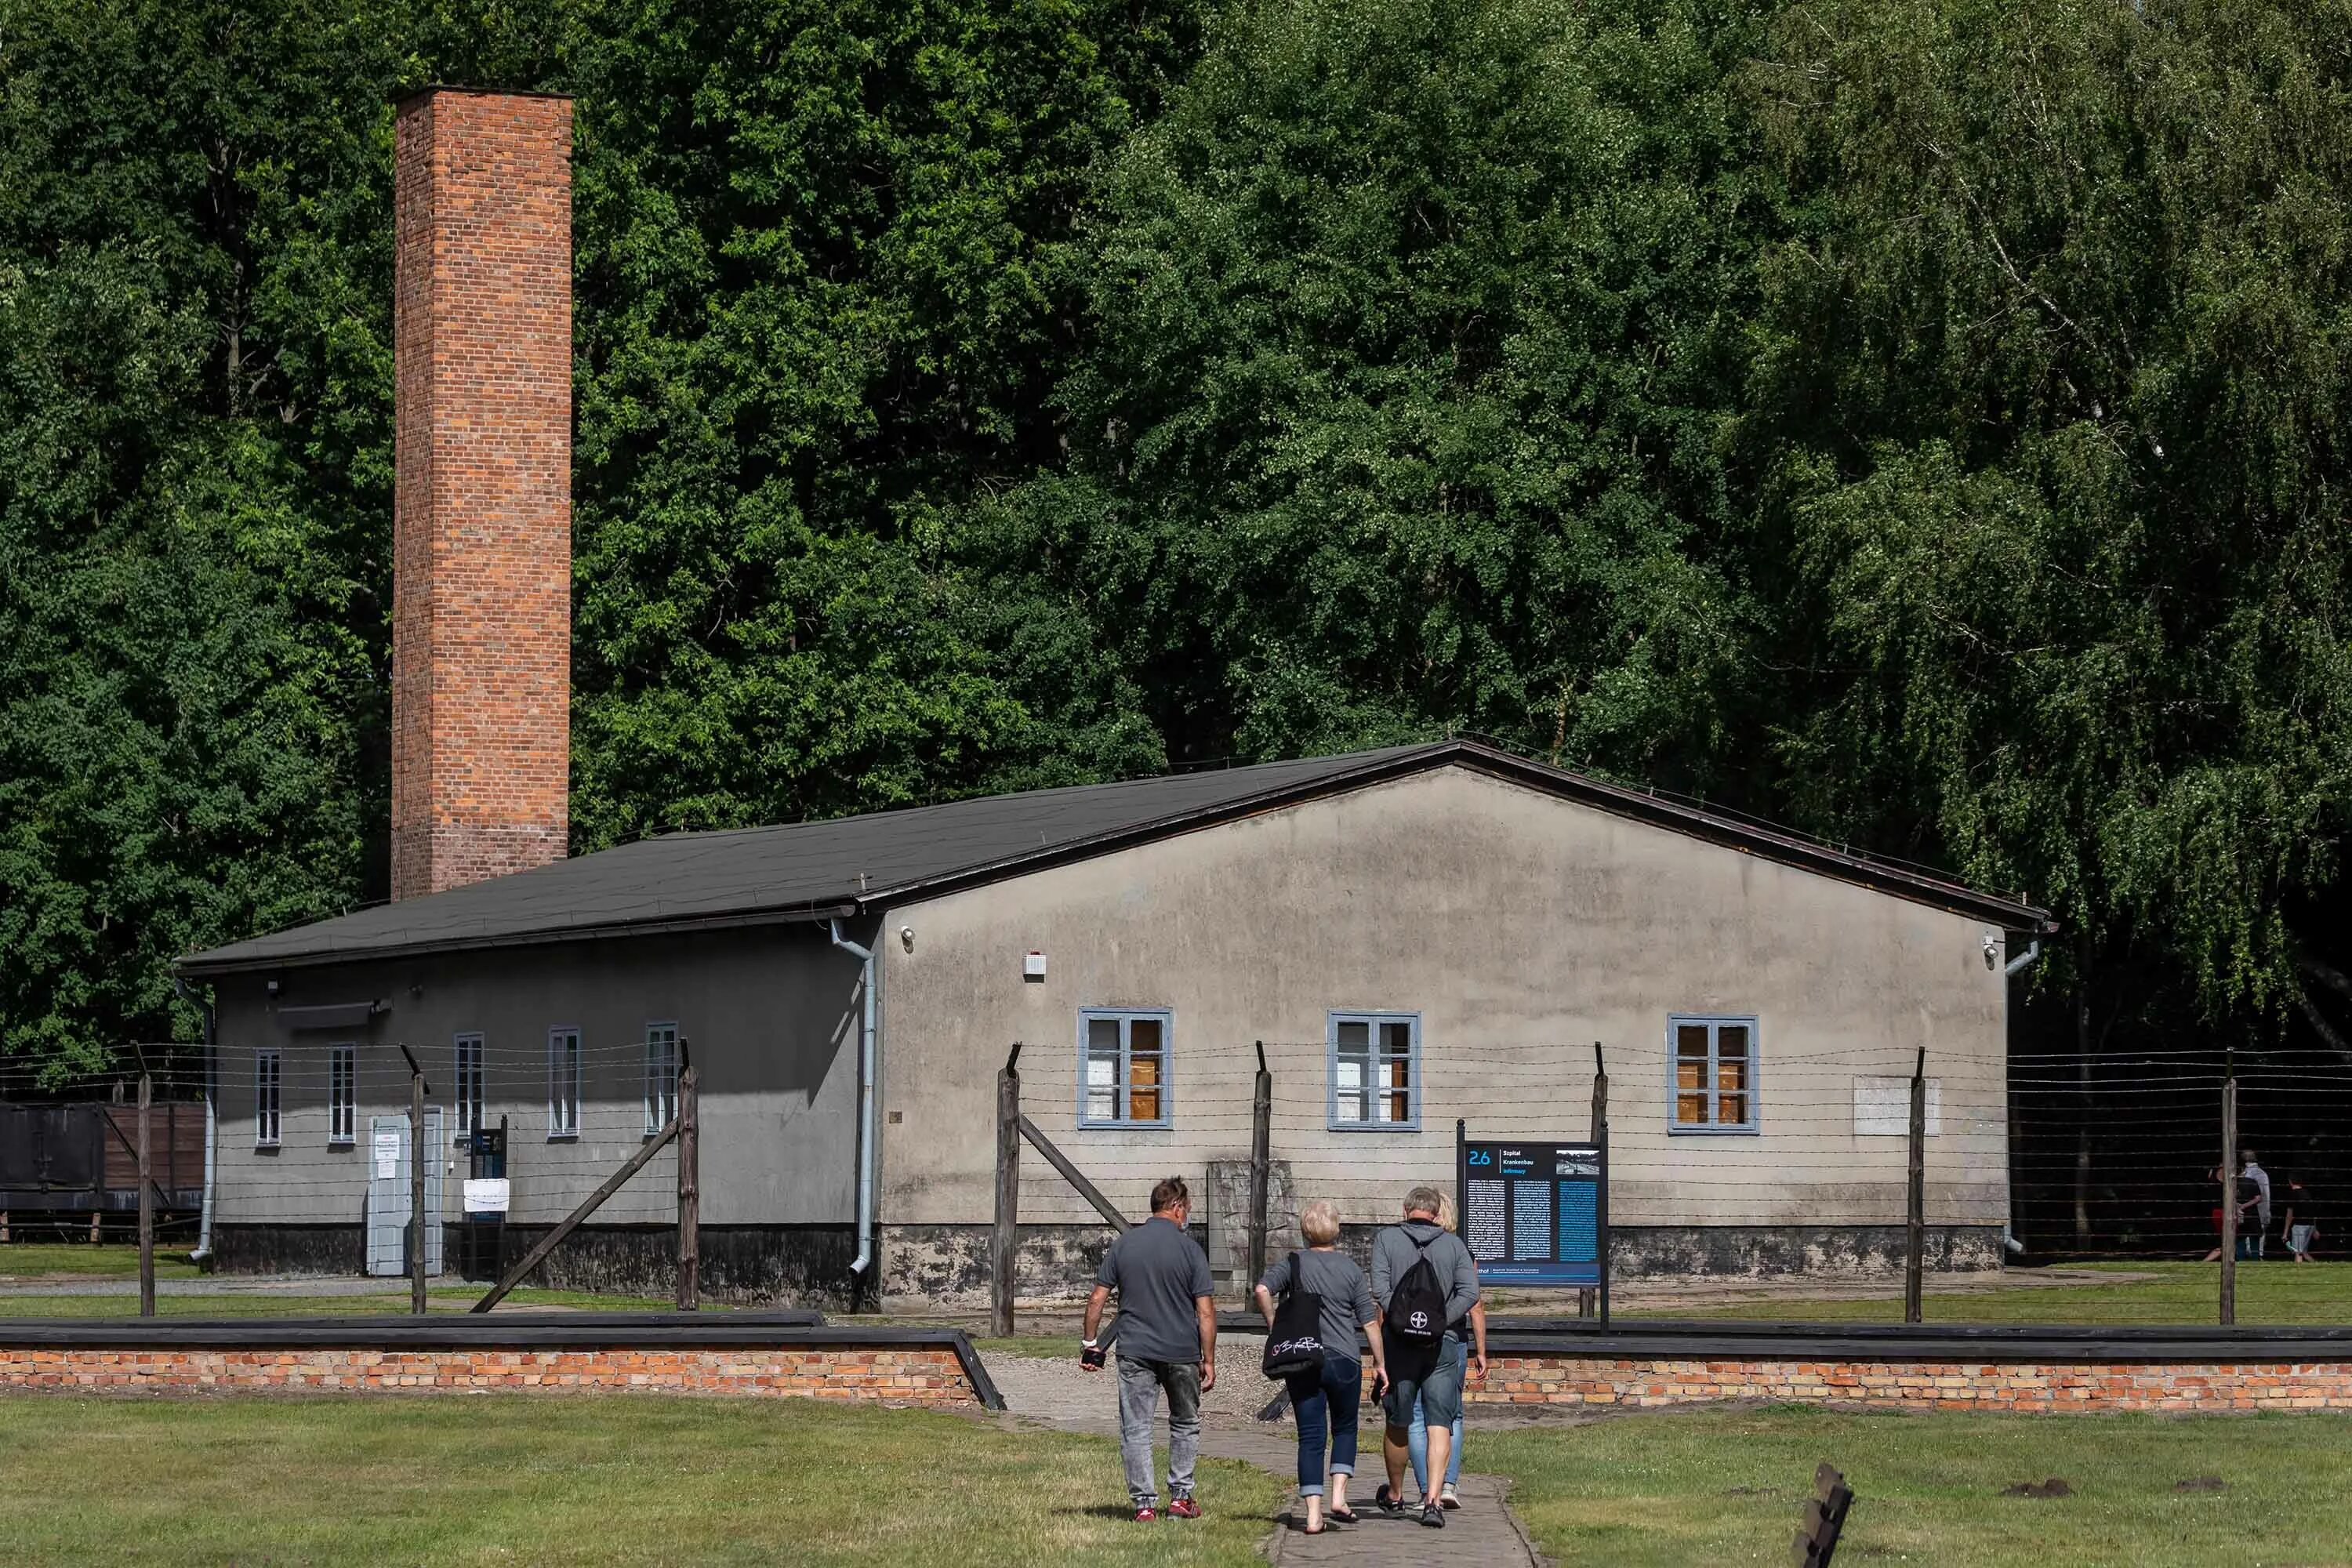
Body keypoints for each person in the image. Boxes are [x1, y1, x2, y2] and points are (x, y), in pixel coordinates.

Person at [1082, 1175, 1217, 1523]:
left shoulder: (1125, 1245)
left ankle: (1143, 1504)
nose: (1187, 1215)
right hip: (1181, 1351)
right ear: (1176, 1207)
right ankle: (1181, 1497)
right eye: (1186, 1208)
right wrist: (1209, 1359)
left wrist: (1091, 1344)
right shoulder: (1190, 1250)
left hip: (1135, 1350)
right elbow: (1205, 1310)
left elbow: (1098, 1298)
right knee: (1185, 1422)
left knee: (1136, 1427)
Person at [1254, 1200, 1388, 1535]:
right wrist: (1381, 1364)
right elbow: (1369, 1322)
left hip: (1305, 1359)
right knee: (1345, 1428)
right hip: (1344, 1359)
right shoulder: (1351, 1270)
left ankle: (1313, 1516)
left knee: (1310, 1437)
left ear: (1304, 1231)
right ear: (1338, 1231)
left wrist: (1274, 1324)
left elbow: (1261, 1289)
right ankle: (1339, 1498)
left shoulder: (1293, 1263)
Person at [1370, 1185, 1487, 1530]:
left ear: (1406, 1211)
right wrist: (1438, 1321)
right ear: (1436, 1214)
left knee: (1399, 1420)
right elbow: (1470, 1292)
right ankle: (1433, 1501)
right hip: (1444, 1344)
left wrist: (1404, 1318)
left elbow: (1380, 1289)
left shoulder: (1385, 1241)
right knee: (1440, 1422)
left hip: (1399, 1345)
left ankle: (1394, 1493)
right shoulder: (1455, 1245)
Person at [1406, 1192, 1479, 1510]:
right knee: (1453, 1413)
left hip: (1410, 1335)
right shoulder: (1461, 1249)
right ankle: (1448, 1484)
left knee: (1417, 1413)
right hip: (1453, 1336)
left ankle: (1426, 1490)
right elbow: (1474, 1301)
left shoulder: (1411, 1246)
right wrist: (1483, 1350)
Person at [2281, 1172, 2319, 1262]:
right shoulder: (2307, 1193)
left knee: (2298, 1253)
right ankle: (2318, 1267)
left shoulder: (2293, 1194)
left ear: (2290, 1182)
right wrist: (2315, 1229)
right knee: (2304, 1252)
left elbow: (2289, 1215)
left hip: (2299, 1226)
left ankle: (2298, 1274)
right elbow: (2312, 1212)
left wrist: (2285, 1233)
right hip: (2310, 1225)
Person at [2242, 1150, 2272, 1259]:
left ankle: (2256, 1256)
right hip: (2260, 1210)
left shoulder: (2247, 1174)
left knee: (2253, 1236)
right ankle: (2257, 1255)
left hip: (2251, 1210)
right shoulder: (2262, 1173)